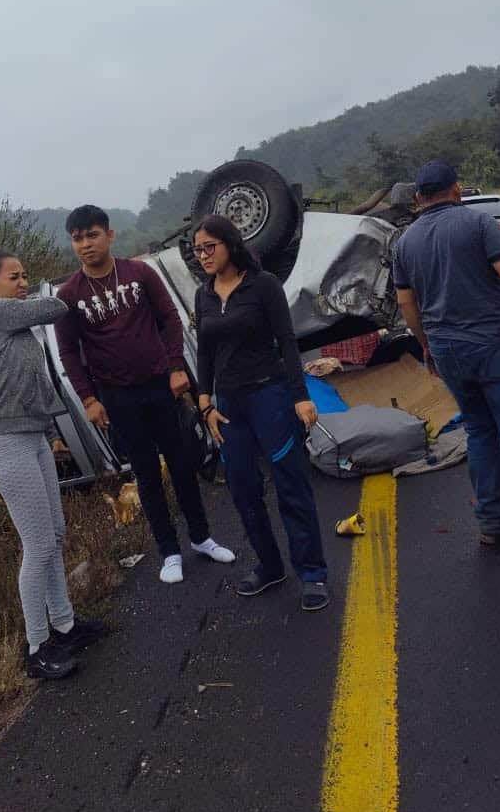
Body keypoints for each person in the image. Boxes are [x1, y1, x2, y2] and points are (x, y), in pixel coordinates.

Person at [392, 160, 500, 563]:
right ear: (456, 190)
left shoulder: (404, 243)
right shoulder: (476, 224)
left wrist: (426, 345)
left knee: (480, 433)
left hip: (447, 350)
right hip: (493, 344)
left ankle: (494, 523)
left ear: (419, 197)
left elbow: (406, 302)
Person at [55, 205, 234, 585]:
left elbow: (169, 317)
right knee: (147, 475)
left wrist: (174, 367)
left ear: (109, 235)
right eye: (78, 238)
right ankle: (170, 552)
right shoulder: (69, 294)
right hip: (116, 396)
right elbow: (69, 351)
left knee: (183, 462)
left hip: (159, 384)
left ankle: (201, 538)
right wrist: (89, 399)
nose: (86, 244)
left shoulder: (139, 274)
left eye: (93, 235)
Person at [0, 252, 105, 680]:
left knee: (54, 534)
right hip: (6, 448)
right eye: (14, 277)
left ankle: (65, 625)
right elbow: (54, 307)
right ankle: (37, 648)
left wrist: (49, 431)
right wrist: (74, 281)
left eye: (25, 276)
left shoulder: (6, 320)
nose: (23, 283)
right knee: (37, 546)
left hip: (31, 439)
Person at [193, 215, 329, 612]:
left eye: (209, 247)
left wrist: (300, 396)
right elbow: (205, 353)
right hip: (229, 406)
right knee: (243, 488)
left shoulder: (263, 285)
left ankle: (312, 572)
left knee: (290, 484)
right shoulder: (204, 295)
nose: (202, 255)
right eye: (197, 249)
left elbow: (287, 341)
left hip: (270, 395)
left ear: (229, 245)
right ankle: (270, 565)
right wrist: (204, 403)